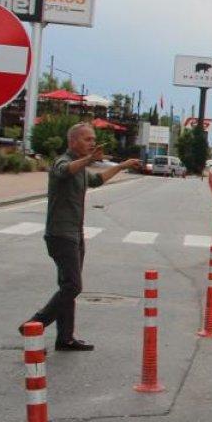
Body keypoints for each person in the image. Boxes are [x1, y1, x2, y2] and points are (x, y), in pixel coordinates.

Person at [25, 123, 140, 351]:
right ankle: (34, 324)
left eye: (93, 139)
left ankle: (65, 338)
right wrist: (89, 160)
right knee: (73, 286)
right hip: (60, 234)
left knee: (67, 286)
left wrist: (122, 165)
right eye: (87, 139)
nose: (92, 143)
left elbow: (97, 180)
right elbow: (63, 171)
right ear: (73, 141)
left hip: (75, 233)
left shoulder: (81, 169)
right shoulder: (63, 162)